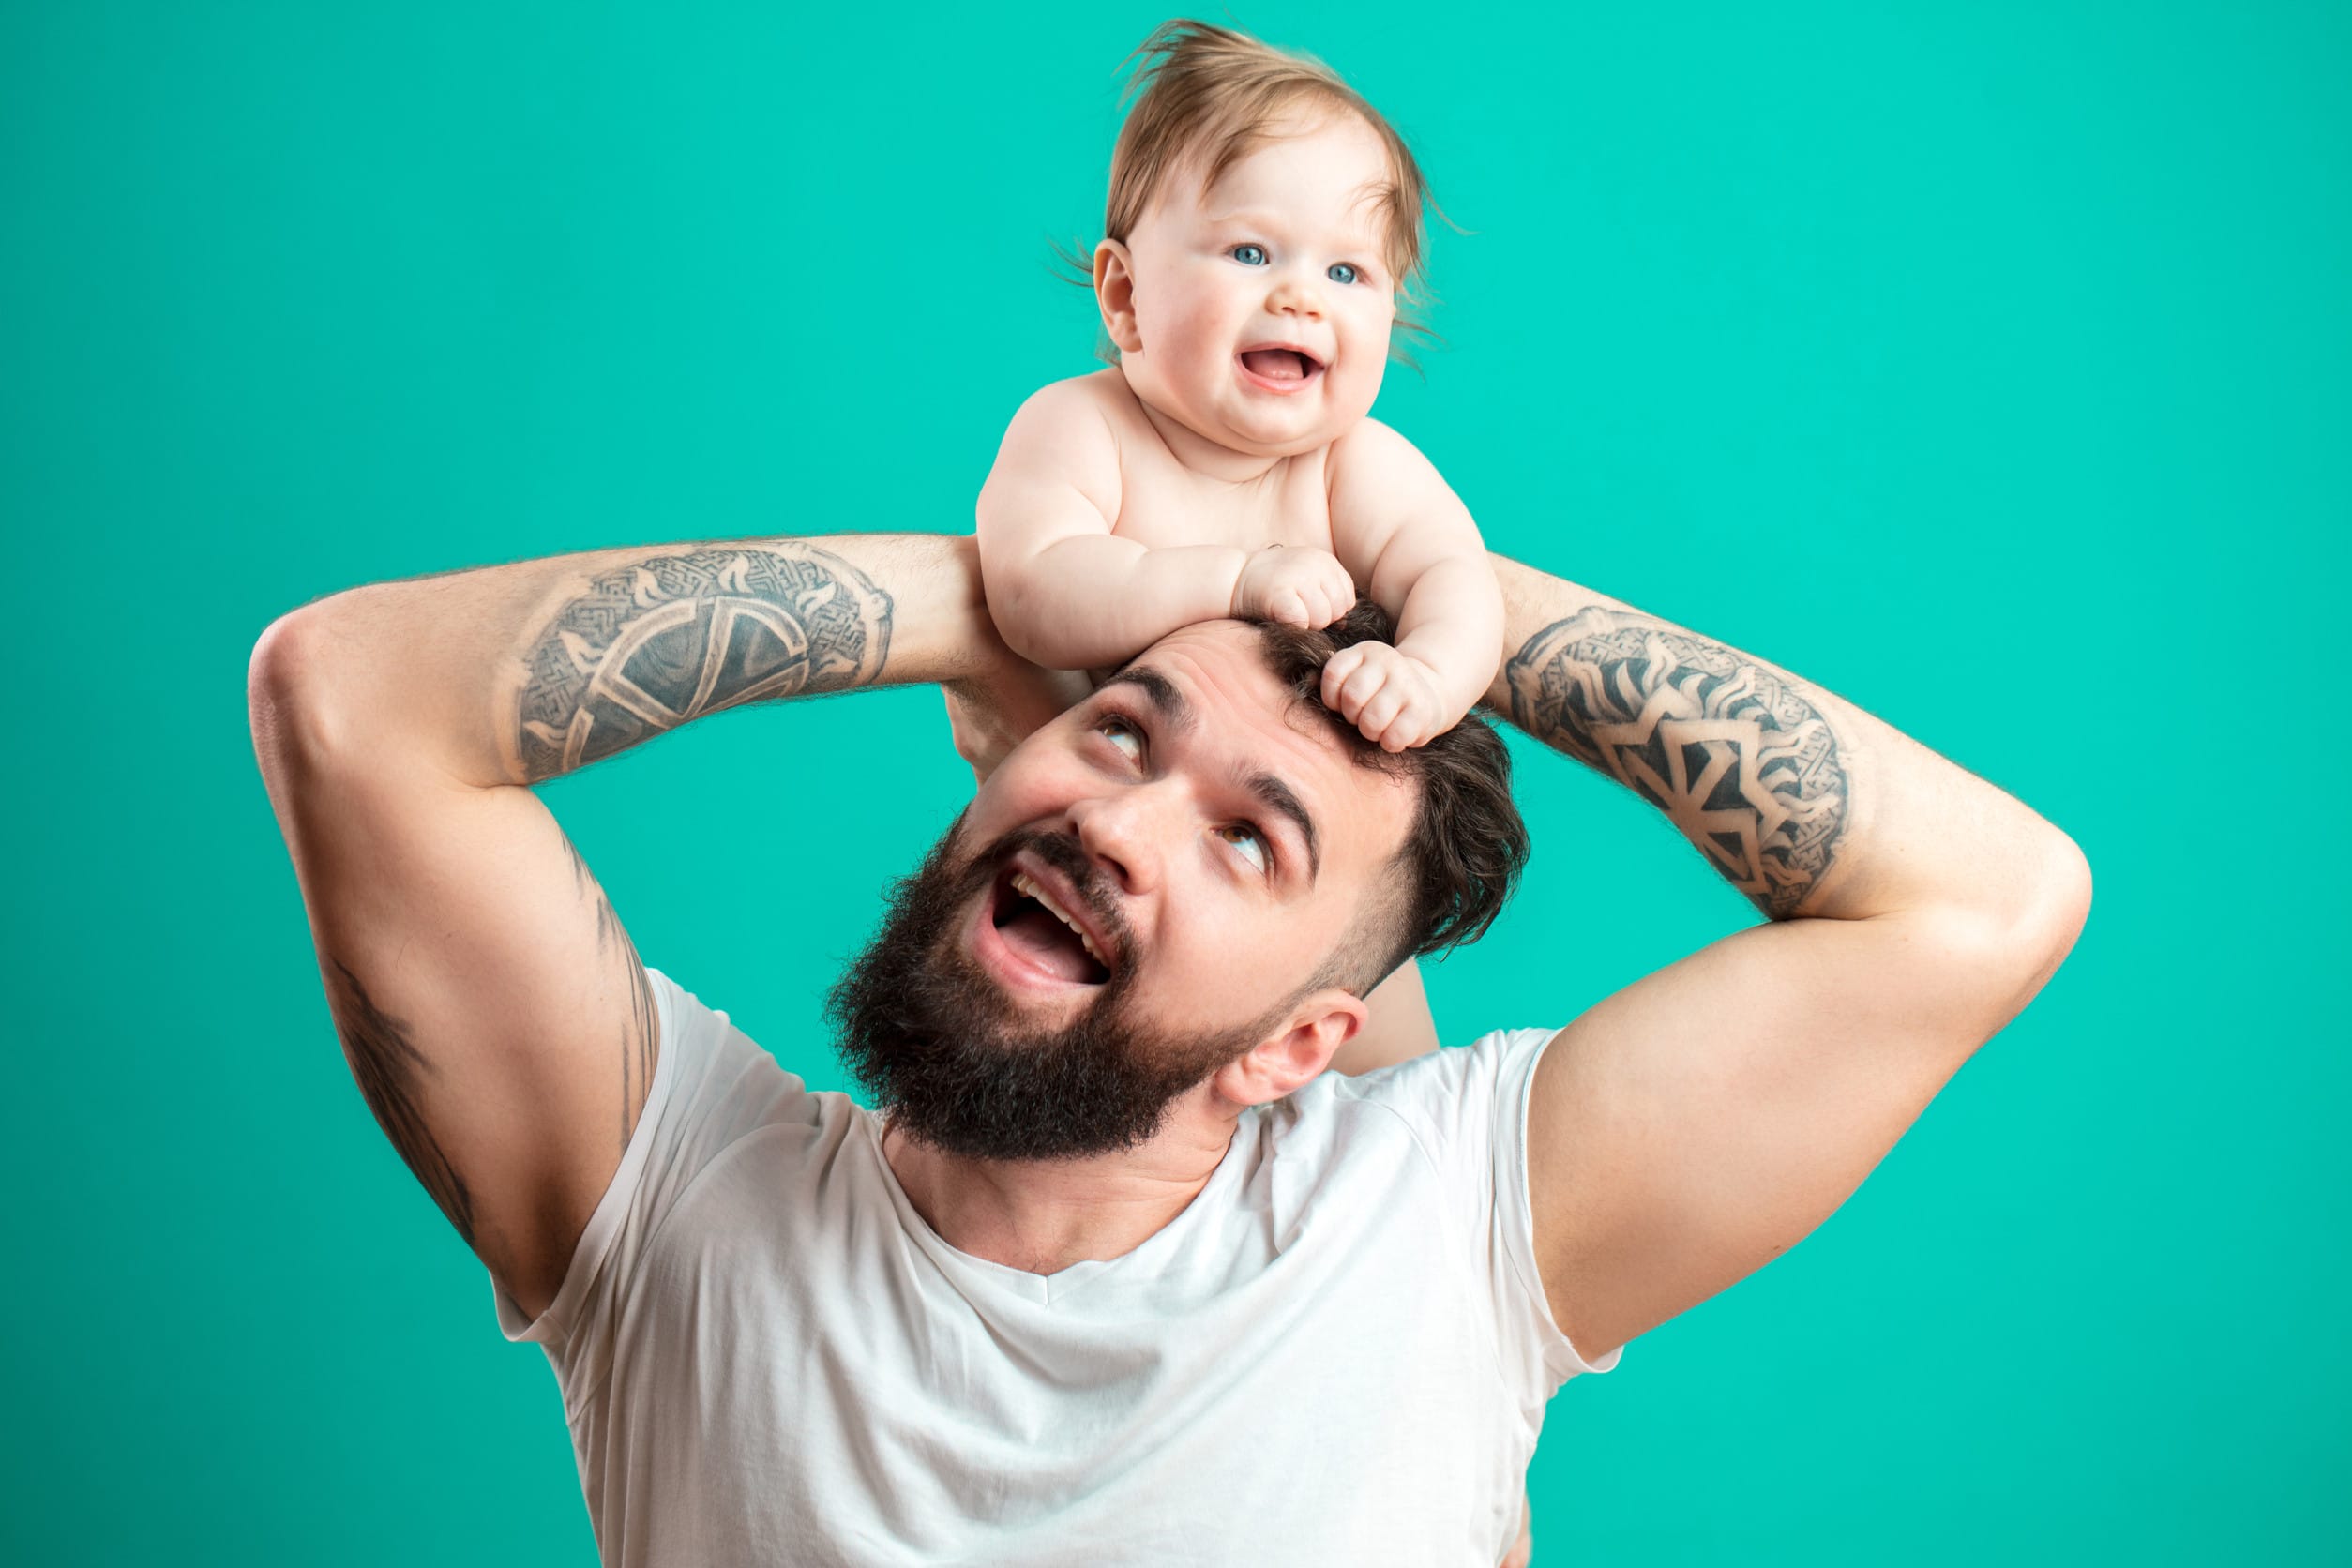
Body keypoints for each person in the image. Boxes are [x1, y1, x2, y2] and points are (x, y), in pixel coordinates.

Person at [247, 532, 2089, 1565]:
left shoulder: (1445, 1225)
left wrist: (1443, 592)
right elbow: (344, 701)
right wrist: (1018, 586)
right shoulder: (671, 1197)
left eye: (1248, 839)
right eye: (1120, 731)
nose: (1120, 822)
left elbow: (1990, 899)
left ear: (1301, 1043)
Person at [966, 22, 1501, 764]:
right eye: (1250, 252)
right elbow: (1032, 591)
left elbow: (1454, 575)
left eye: (1345, 272)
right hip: (1091, 790)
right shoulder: (1082, 427)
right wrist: (1236, 580)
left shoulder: (1354, 465)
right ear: (1124, 295)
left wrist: (1428, 675)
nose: (1301, 298)